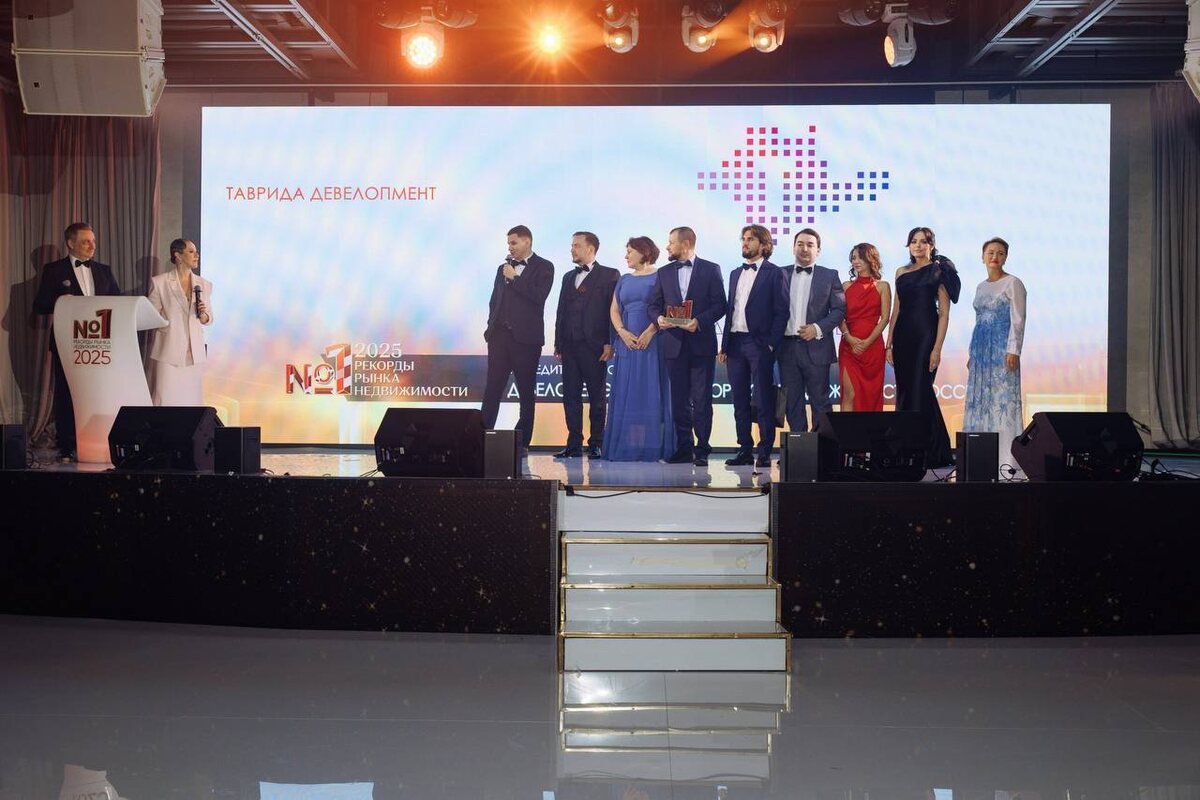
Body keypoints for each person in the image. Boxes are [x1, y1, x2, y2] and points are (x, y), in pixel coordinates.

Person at [32, 222, 122, 460]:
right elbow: (40, 305)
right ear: (70, 243)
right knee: (67, 393)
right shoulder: (54, 270)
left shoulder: (104, 270)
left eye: (93, 241)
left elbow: (118, 302)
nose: (92, 246)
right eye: (85, 242)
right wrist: (61, 301)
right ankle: (68, 444)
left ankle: (101, 439)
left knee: (98, 392)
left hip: (101, 344)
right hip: (68, 343)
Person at [646, 226, 727, 467]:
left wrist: (699, 321)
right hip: (673, 346)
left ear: (686, 243)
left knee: (702, 400)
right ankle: (684, 448)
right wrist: (658, 319)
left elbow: (720, 305)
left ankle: (702, 449)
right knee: (679, 401)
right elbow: (653, 305)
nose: (667, 246)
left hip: (701, 344)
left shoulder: (711, 269)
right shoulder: (664, 272)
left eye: (671, 242)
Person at [885, 226, 961, 469]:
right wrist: (889, 343)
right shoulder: (900, 272)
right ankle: (906, 450)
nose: (918, 245)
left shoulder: (939, 271)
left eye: (923, 241)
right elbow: (896, 310)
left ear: (931, 245)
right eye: (913, 241)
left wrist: (937, 348)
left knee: (921, 391)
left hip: (926, 335)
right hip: (903, 337)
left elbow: (944, 314)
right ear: (909, 245)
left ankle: (931, 452)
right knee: (906, 393)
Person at [719, 225, 788, 468]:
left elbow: (782, 312)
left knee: (764, 399)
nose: (745, 243)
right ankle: (744, 450)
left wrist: (771, 344)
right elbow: (731, 311)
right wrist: (724, 345)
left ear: (764, 244)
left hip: (760, 344)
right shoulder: (734, 273)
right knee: (739, 400)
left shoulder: (775, 273)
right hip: (735, 343)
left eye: (750, 239)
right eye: (743, 239)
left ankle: (765, 451)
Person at [482, 225, 554, 450]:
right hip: (499, 339)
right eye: (508, 244)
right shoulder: (502, 268)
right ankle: (481, 437)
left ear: (527, 241)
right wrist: (490, 328)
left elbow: (538, 297)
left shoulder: (544, 266)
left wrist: (515, 278)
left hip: (526, 341)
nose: (510, 248)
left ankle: (522, 443)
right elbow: (495, 300)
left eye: (513, 243)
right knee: (492, 388)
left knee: (526, 391)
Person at [603, 236, 675, 462]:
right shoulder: (624, 279)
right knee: (628, 394)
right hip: (627, 344)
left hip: (654, 343)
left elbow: (668, 308)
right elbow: (614, 310)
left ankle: (653, 448)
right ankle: (628, 447)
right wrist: (622, 332)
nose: (626, 256)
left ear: (644, 252)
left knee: (652, 394)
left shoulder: (661, 276)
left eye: (629, 251)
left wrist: (650, 332)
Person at [553, 231, 619, 458]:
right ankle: (573, 444)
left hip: (595, 347)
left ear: (590, 249)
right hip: (569, 346)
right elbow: (561, 312)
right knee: (570, 396)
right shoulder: (567, 277)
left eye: (576, 245)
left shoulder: (610, 275)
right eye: (572, 245)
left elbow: (613, 312)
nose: (572, 249)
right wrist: (558, 343)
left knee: (596, 397)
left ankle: (597, 443)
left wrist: (610, 342)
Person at [963, 236, 1027, 469]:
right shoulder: (981, 286)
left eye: (1000, 253)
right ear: (982, 257)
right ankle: (979, 462)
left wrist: (1013, 350)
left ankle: (1007, 463)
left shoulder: (1013, 283)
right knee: (980, 402)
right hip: (981, 352)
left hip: (1002, 350)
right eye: (990, 252)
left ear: (1006, 257)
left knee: (1003, 401)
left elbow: (1018, 319)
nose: (995, 257)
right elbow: (978, 321)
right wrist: (972, 353)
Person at [777, 228, 846, 433]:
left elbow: (839, 309)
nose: (804, 249)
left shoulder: (830, 275)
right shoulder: (779, 273)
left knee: (821, 401)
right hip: (786, 348)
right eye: (800, 244)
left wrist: (817, 328)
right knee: (792, 403)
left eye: (810, 245)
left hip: (817, 347)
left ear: (818, 250)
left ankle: (822, 447)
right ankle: (798, 447)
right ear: (793, 248)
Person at [147, 238, 212, 406]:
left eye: (196, 252)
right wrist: (164, 318)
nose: (196, 255)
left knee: (191, 402)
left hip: (194, 353)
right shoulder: (160, 282)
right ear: (178, 255)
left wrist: (203, 314)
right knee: (164, 399)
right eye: (191, 251)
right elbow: (151, 316)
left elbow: (208, 318)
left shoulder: (203, 284)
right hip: (169, 350)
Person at [837, 243, 890, 411]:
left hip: (873, 348)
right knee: (849, 393)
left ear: (870, 259)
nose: (856, 261)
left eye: (860, 257)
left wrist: (867, 342)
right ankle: (846, 430)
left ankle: (869, 429)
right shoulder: (846, 286)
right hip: (849, 347)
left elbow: (885, 318)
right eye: (853, 258)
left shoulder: (883, 286)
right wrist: (849, 338)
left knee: (871, 395)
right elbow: (838, 315)